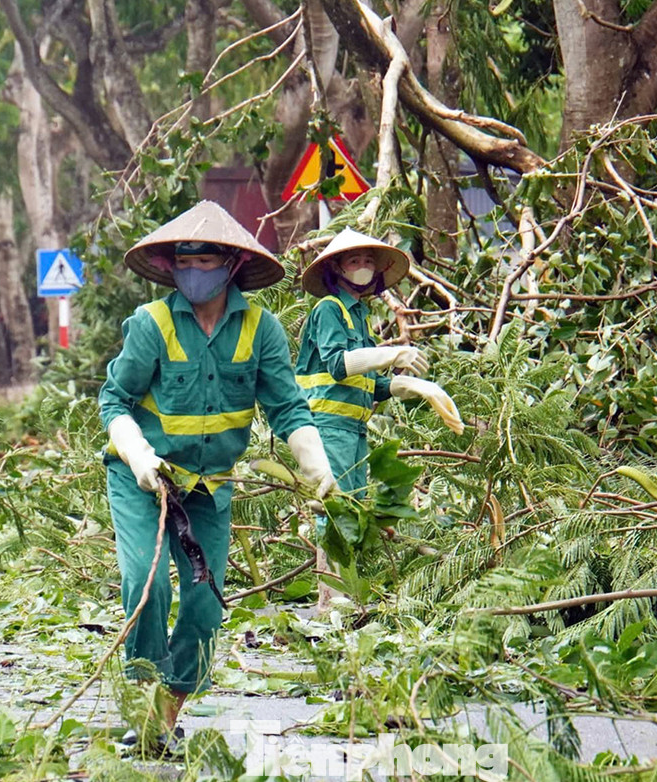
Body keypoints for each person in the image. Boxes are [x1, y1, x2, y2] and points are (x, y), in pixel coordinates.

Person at [98, 201, 335, 743]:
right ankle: (141, 708)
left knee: (205, 606)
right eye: (184, 261)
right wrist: (138, 456)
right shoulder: (150, 324)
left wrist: (318, 469)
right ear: (170, 266)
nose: (193, 272)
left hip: (208, 489)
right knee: (147, 585)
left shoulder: (262, 329)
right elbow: (115, 402)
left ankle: (165, 716)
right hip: (145, 480)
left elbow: (289, 409)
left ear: (229, 266)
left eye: (204, 261)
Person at [294, 229, 463, 533]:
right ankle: (331, 580)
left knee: (355, 512)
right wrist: (393, 354)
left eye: (368, 261)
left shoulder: (359, 316)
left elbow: (369, 382)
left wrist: (409, 387)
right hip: (328, 427)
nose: (362, 266)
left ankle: (350, 575)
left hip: (354, 430)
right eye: (354, 260)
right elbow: (338, 365)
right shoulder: (330, 308)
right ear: (336, 267)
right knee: (335, 513)